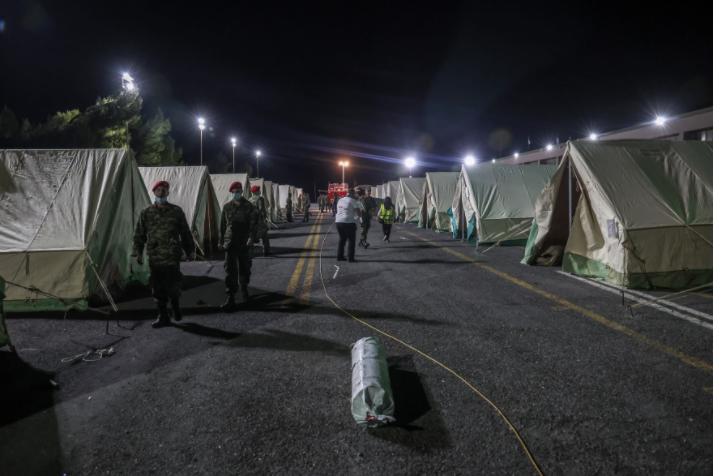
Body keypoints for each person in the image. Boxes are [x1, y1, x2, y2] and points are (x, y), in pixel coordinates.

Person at [132, 181, 194, 328]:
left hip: (172, 254)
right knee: (156, 285)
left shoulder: (176, 211)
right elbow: (139, 234)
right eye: (158, 190)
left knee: (173, 283)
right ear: (154, 192)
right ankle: (163, 315)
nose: (161, 193)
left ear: (168, 193)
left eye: (164, 190)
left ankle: (175, 306)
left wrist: (189, 250)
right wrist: (138, 252)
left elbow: (185, 232)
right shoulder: (146, 213)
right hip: (155, 255)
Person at [218, 181, 259, 311]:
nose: (236, 194)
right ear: (231, 193)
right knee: (230, 269)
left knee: (245, 266)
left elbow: (254, 223)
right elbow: (222, 225)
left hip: (244, 241)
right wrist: (220, 241)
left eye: (238, 192)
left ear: (242, 192)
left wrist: (252, 238)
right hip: (230, 242)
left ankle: (244, 288)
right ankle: (230, 297)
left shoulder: (248, 206)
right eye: (234, 192)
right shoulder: (226, 207)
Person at [335, 188, 362, 262]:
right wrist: (360, 214)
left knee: (342, 239)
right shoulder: (353, 200)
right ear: (353, 194)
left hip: (338, 222)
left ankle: (339, 256)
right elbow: (359, 213)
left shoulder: (340, 200)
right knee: (351, 240)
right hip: (348, 222)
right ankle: (351, 258)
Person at [249, 185, 271, 257]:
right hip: (259, 222)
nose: (259, 191)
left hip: (252, 222)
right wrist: (264, 217)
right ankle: (266, 252)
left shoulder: (249, 200)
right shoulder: (260, 199)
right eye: (258, 190)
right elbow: (262, 210)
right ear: (256, 191)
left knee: (251, 237)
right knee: (264, 237)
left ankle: (250, 253)